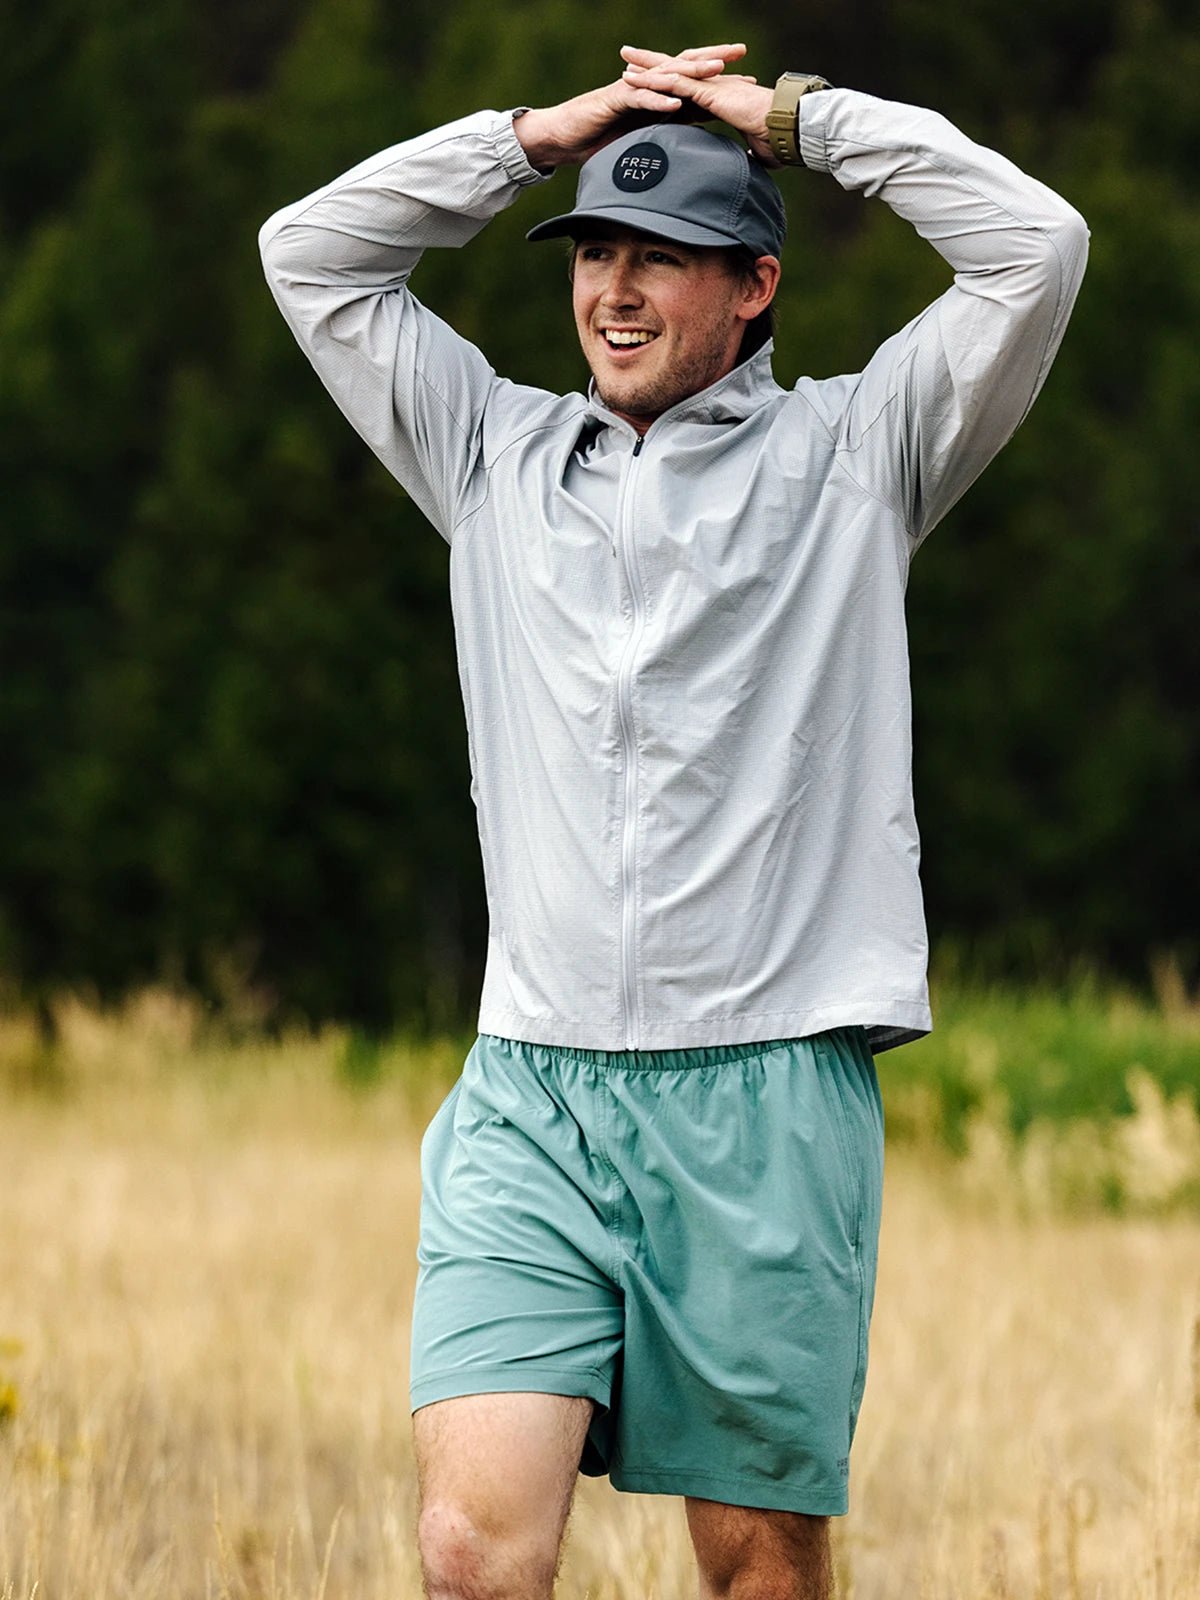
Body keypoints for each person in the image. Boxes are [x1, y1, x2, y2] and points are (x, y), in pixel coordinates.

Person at [259, 41, 1088, 1600]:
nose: (615, 292)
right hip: (532, 1088)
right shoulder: (491, 454)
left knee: (757, 1567)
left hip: (765, 1094)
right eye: (594, 253)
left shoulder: (860, 453)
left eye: (661, 256)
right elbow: (310, 254)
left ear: (756, 285)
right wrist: (529, 140)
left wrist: (803, 122)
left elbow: (1036, 246)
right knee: (469, 1550)